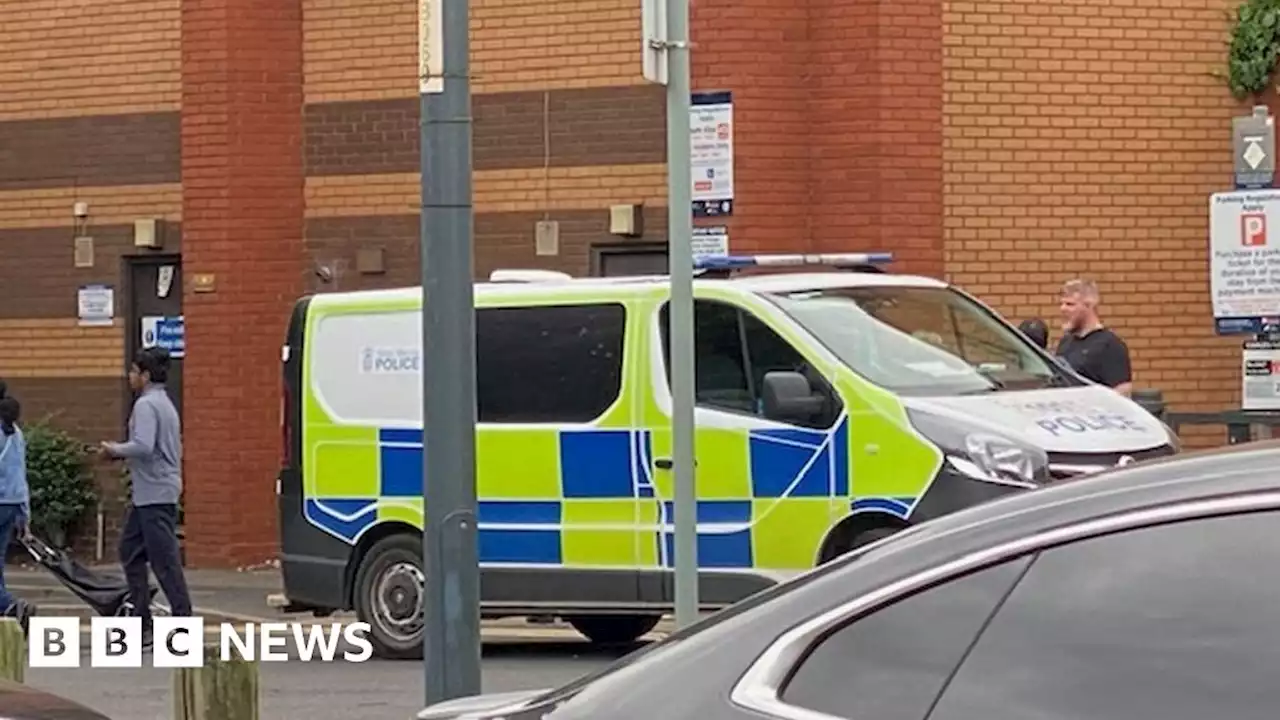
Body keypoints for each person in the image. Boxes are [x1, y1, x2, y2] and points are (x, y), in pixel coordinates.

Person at [99, 347, 191, 647]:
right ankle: (142, 620)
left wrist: (114, 449)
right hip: (149, 493)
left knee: (164, 561)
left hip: (155, 493)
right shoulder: (163, 402)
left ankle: (181, 622)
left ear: (146, 375)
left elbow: (143, 445)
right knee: (130, 551)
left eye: (134, 371)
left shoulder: (146, 405)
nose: (130, 377)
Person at [1056, 278, 1133, 396]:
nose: (1063, 309)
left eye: (1070, 304)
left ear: (1089, 306)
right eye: (1062, 304)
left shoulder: (1110, 345)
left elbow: (1122, 393)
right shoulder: (1066, 342)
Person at [0, 396, 35, 632]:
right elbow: (19, 475)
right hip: (12, 505)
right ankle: (5, 613)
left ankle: (11, 605)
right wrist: (25, 516)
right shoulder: (18, 435)